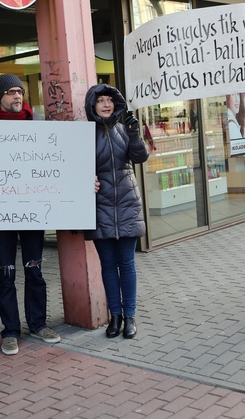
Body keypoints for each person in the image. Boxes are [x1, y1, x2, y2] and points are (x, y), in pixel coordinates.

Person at [0, 73, 60, 355]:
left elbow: (56, 161)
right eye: (12, 92)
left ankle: (38, 324)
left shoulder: (36, 124)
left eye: (21, 92)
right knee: (6, 273)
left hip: (32, 209)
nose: (18, 96)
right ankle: (11, 331)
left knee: (34, 269)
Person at [84, 84, 149, 339]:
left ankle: (130, 316)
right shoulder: (85, 135)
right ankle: (115, 317)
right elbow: (73, 168)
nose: (106, 104)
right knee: (108, 266)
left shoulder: (124, 130)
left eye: (110, 100)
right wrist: (86, 180)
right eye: (100, 100)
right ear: (93, 106)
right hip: (99, 206)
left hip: (127, 203)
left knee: (127, 264)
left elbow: (140, 157)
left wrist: (134, 134)